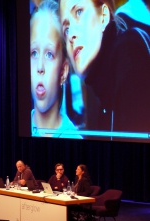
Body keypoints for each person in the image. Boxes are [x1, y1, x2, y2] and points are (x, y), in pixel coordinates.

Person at [59, 0, 150, 136]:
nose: (71, 35)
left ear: (103, 16)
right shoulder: (104, 95)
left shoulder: (130, 52)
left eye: (78, 12)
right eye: (66, 29)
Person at [30, 0, 80, 138]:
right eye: (34, 53)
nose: (40, 67)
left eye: (49, 54)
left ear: (63, 71)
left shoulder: (75, 139)